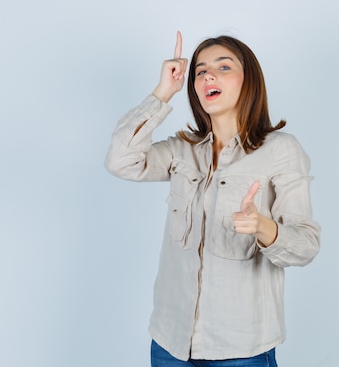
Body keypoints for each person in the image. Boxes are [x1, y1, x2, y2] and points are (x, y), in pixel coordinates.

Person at [104, 31, 321, 366]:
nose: (208, 75)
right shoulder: (182, 150)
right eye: (200, 70)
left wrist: (264, 227)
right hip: (170, 344)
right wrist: (163, 93)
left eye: (223, 67)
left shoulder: (280, 150)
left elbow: (306, 244)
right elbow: (120, 161)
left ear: (248, 80)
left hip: (241, 350)